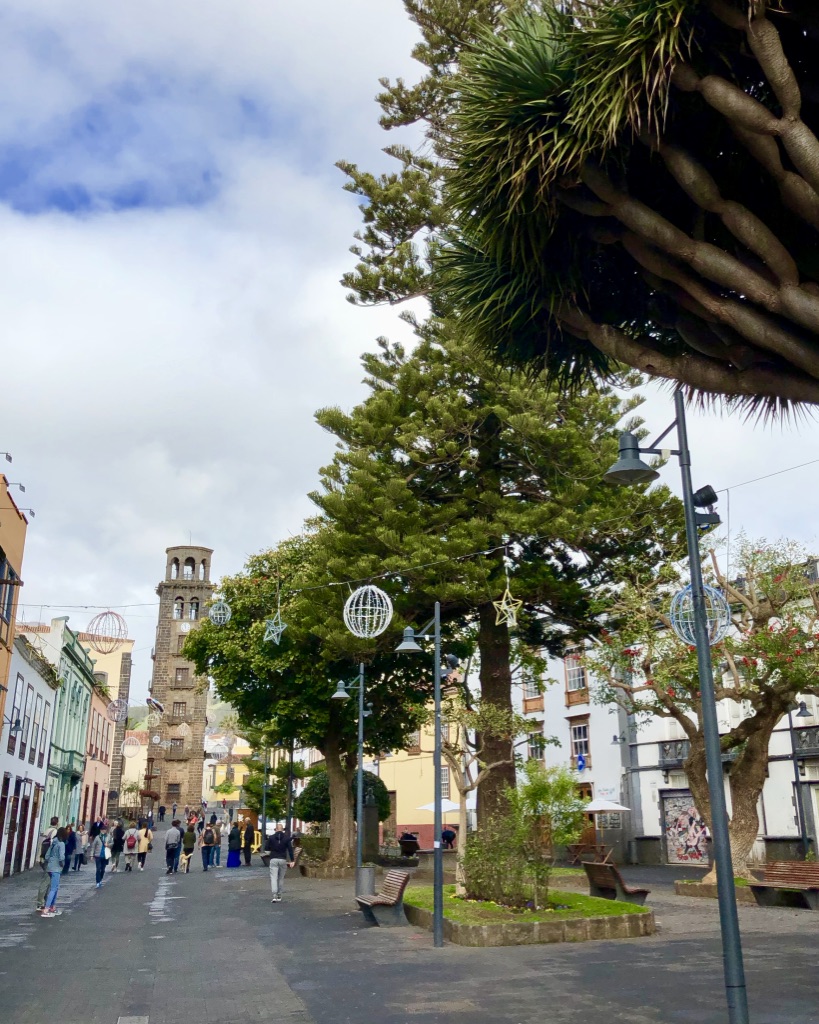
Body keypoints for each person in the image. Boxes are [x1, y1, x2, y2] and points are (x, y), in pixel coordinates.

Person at [41, 827, 67, 917]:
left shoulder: (53, 842)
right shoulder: (61, 844)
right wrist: (62, 864)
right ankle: (47, 909)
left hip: (49, 867)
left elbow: (47, 856)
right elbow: (61, 857)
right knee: (53, 889)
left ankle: (52, 907)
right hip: (56, 868)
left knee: (54, 888)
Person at [265, 824, 295, 903]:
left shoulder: (271, 838)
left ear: (276, 829)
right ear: (282, 830)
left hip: (273, 859)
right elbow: (290, 850)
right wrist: (292, 860)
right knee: (281, 878)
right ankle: (279, 895)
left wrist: (270, 852)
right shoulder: (286, 838)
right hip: (282, 859)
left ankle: (274, 895)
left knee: (273, 877)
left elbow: (266, 849)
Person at [36, 816, 60, 911]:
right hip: (48, 860)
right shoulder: (54, 832)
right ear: (57, 823)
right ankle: (40, 902)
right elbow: (52, 847)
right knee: (46, 880)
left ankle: (45, 901)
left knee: (48, 880)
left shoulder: (46, 831)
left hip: (42, 858)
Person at [91, 823, 109, 889]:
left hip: (105, 855)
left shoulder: (108, 837)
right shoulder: (97, 837)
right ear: (100, 830)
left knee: (103, 869)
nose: (104, 831)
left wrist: (108, 845)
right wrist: (91, 855)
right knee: (98, 869)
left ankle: (100, 879)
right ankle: (98, 882)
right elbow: (93, 846)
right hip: (98, 855)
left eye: (105, 830)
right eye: (103, 830)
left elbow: (112, 843)